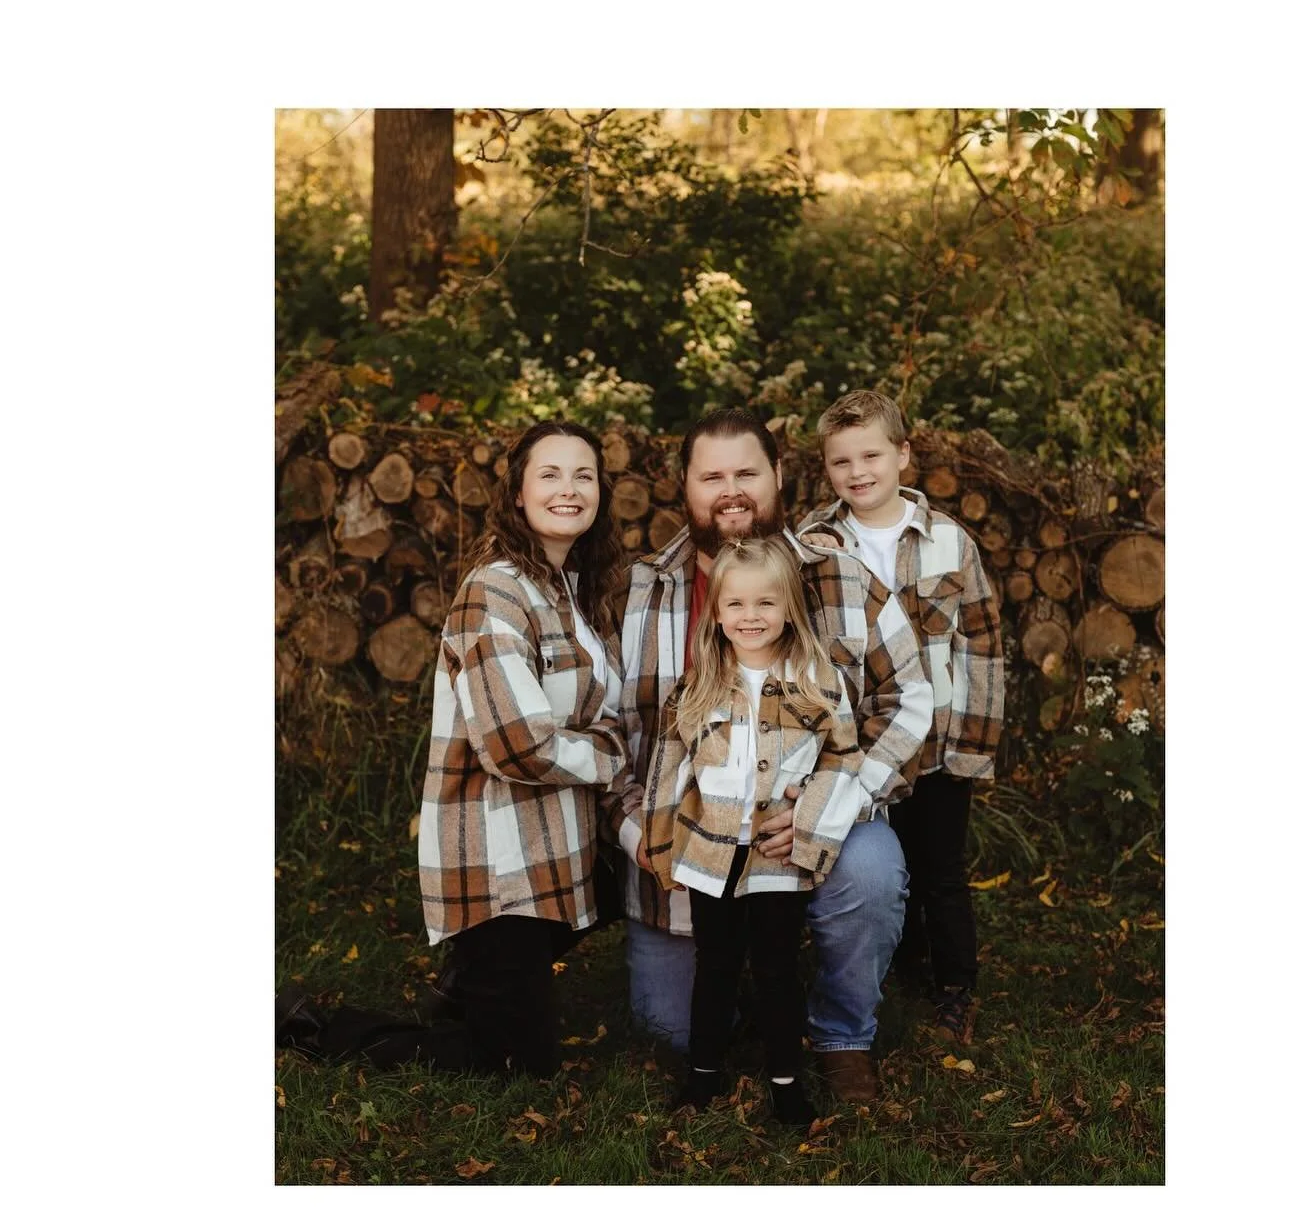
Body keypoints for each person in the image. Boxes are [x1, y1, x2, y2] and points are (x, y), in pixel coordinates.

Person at [275, 421, 629, 1078]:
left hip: (558, 842)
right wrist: (615, 751)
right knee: (517, 1064)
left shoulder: (568, 590)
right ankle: (315, 1028)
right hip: (499, 861)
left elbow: (600, 714)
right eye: (549, 474)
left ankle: (471, 982)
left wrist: (605, 737)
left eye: (584, 475)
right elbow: (518, 747)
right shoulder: (494, 593)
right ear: (518, 494)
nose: (569, 489)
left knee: (634, 867)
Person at [607, 406, 933, 1106]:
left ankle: (843, 1036)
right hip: (693, 837)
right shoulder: (640, 589)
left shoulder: (838, 573)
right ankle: (747, 996)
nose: (732, 490)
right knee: (667, 1027)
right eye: (712, 476)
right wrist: (642, 829)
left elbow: (909, 700)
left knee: (873, 873)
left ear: (779, 476)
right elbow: (616, 733)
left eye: (747, 472)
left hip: (816, 814)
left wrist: (830, 808)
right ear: (685, 486)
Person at [798, 391, 1005, 1033]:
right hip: (860, 742)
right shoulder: (814, 544)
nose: (858, 472)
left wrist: (972, 746)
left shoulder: (949, 541)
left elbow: (981, 645)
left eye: (872, 455)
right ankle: (892, 965)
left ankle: (954, 988)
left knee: (939, 867)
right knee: (882, 858)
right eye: (841, 461)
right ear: (827, 468)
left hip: (938, 740)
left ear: (904, 455)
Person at [643, 537, 865, 1127]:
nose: (750, 617)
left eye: (765, 604)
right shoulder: (698, 688)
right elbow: (668, 773)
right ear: (716, 614)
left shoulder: (816, 683)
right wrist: (663, 846)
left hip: (777, 854)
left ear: (790, 608)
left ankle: (787, 1084)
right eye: (736, 605)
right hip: (712, 850)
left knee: (776, 968)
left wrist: (811, 824)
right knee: (714, 963)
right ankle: (703, 1078)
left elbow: (843, 760)